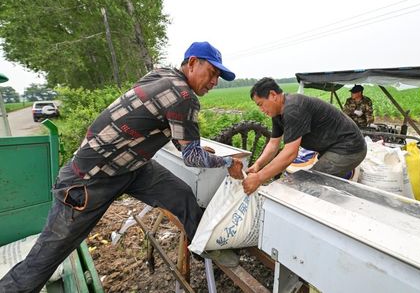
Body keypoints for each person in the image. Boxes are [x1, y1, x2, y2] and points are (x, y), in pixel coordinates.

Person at [0, 41, 244, 292]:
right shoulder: (185, 96)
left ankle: (202, 247)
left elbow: (165, 122)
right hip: (90, 179)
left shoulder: (162, 75)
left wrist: (189, 144)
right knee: (47, 256)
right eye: (212, 73)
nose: (214, 82)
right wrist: (228, 162)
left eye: (218, 77)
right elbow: (192, 159)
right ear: (192, 63)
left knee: (181, 196)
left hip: (132, 166)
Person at [242, 77, 367, 195]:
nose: (261, 109)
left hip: (349, 148)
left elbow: (290, 154)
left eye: (261, 104)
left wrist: (259, 178)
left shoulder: (293, 109)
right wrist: (258, 165)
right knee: (313, 181)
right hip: (330, 147)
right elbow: (273, 144)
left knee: (310, 183)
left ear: (273, 95)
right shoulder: (278, 113)